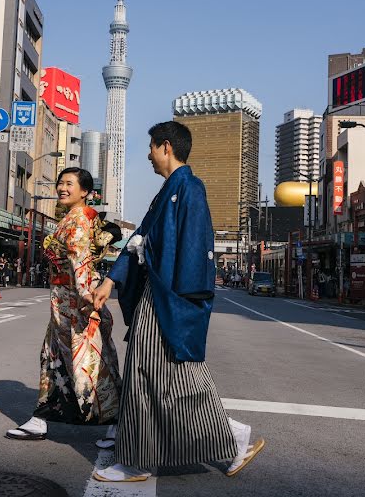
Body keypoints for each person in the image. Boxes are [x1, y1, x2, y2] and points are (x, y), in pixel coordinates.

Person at [91, 121, 265, 483]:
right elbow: (140, 237)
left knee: (150, 371)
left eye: (151, 147)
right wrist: (112, 278)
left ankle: (138, 459)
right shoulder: (171, 189)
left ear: (166, 147)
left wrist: (184, 304)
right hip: (161, 293)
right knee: (173, 374)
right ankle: (231, 439)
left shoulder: (189, 188)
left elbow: (193, 250)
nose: (148, 155)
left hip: (170, 295)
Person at [6, 167, 122, 443]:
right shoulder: (70, 218)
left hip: (76, 302)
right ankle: (41, 418)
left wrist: (85, 297)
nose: (62, 187)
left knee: (92, 363)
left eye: (69, 184)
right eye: (60, 183)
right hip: (62, 300)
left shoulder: (79, 219)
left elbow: (79, 261)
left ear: (85, 192)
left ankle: (120, 425)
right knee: (54, 357)